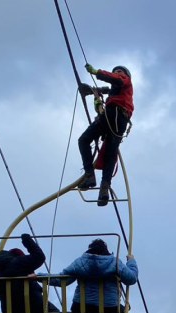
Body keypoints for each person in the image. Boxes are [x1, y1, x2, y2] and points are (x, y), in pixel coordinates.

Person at [77, 63, 134, 208]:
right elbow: (108, 90)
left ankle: (90, 175)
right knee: (110, 155)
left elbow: (116, 79)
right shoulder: (117, 92)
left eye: (120, 71)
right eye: (116, 71)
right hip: (116, 121)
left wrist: (97, 72)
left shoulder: (124, 81)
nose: (118, 73)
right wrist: (94, 93)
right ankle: (104, 189)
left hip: (114, 115)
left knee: (84, 140)